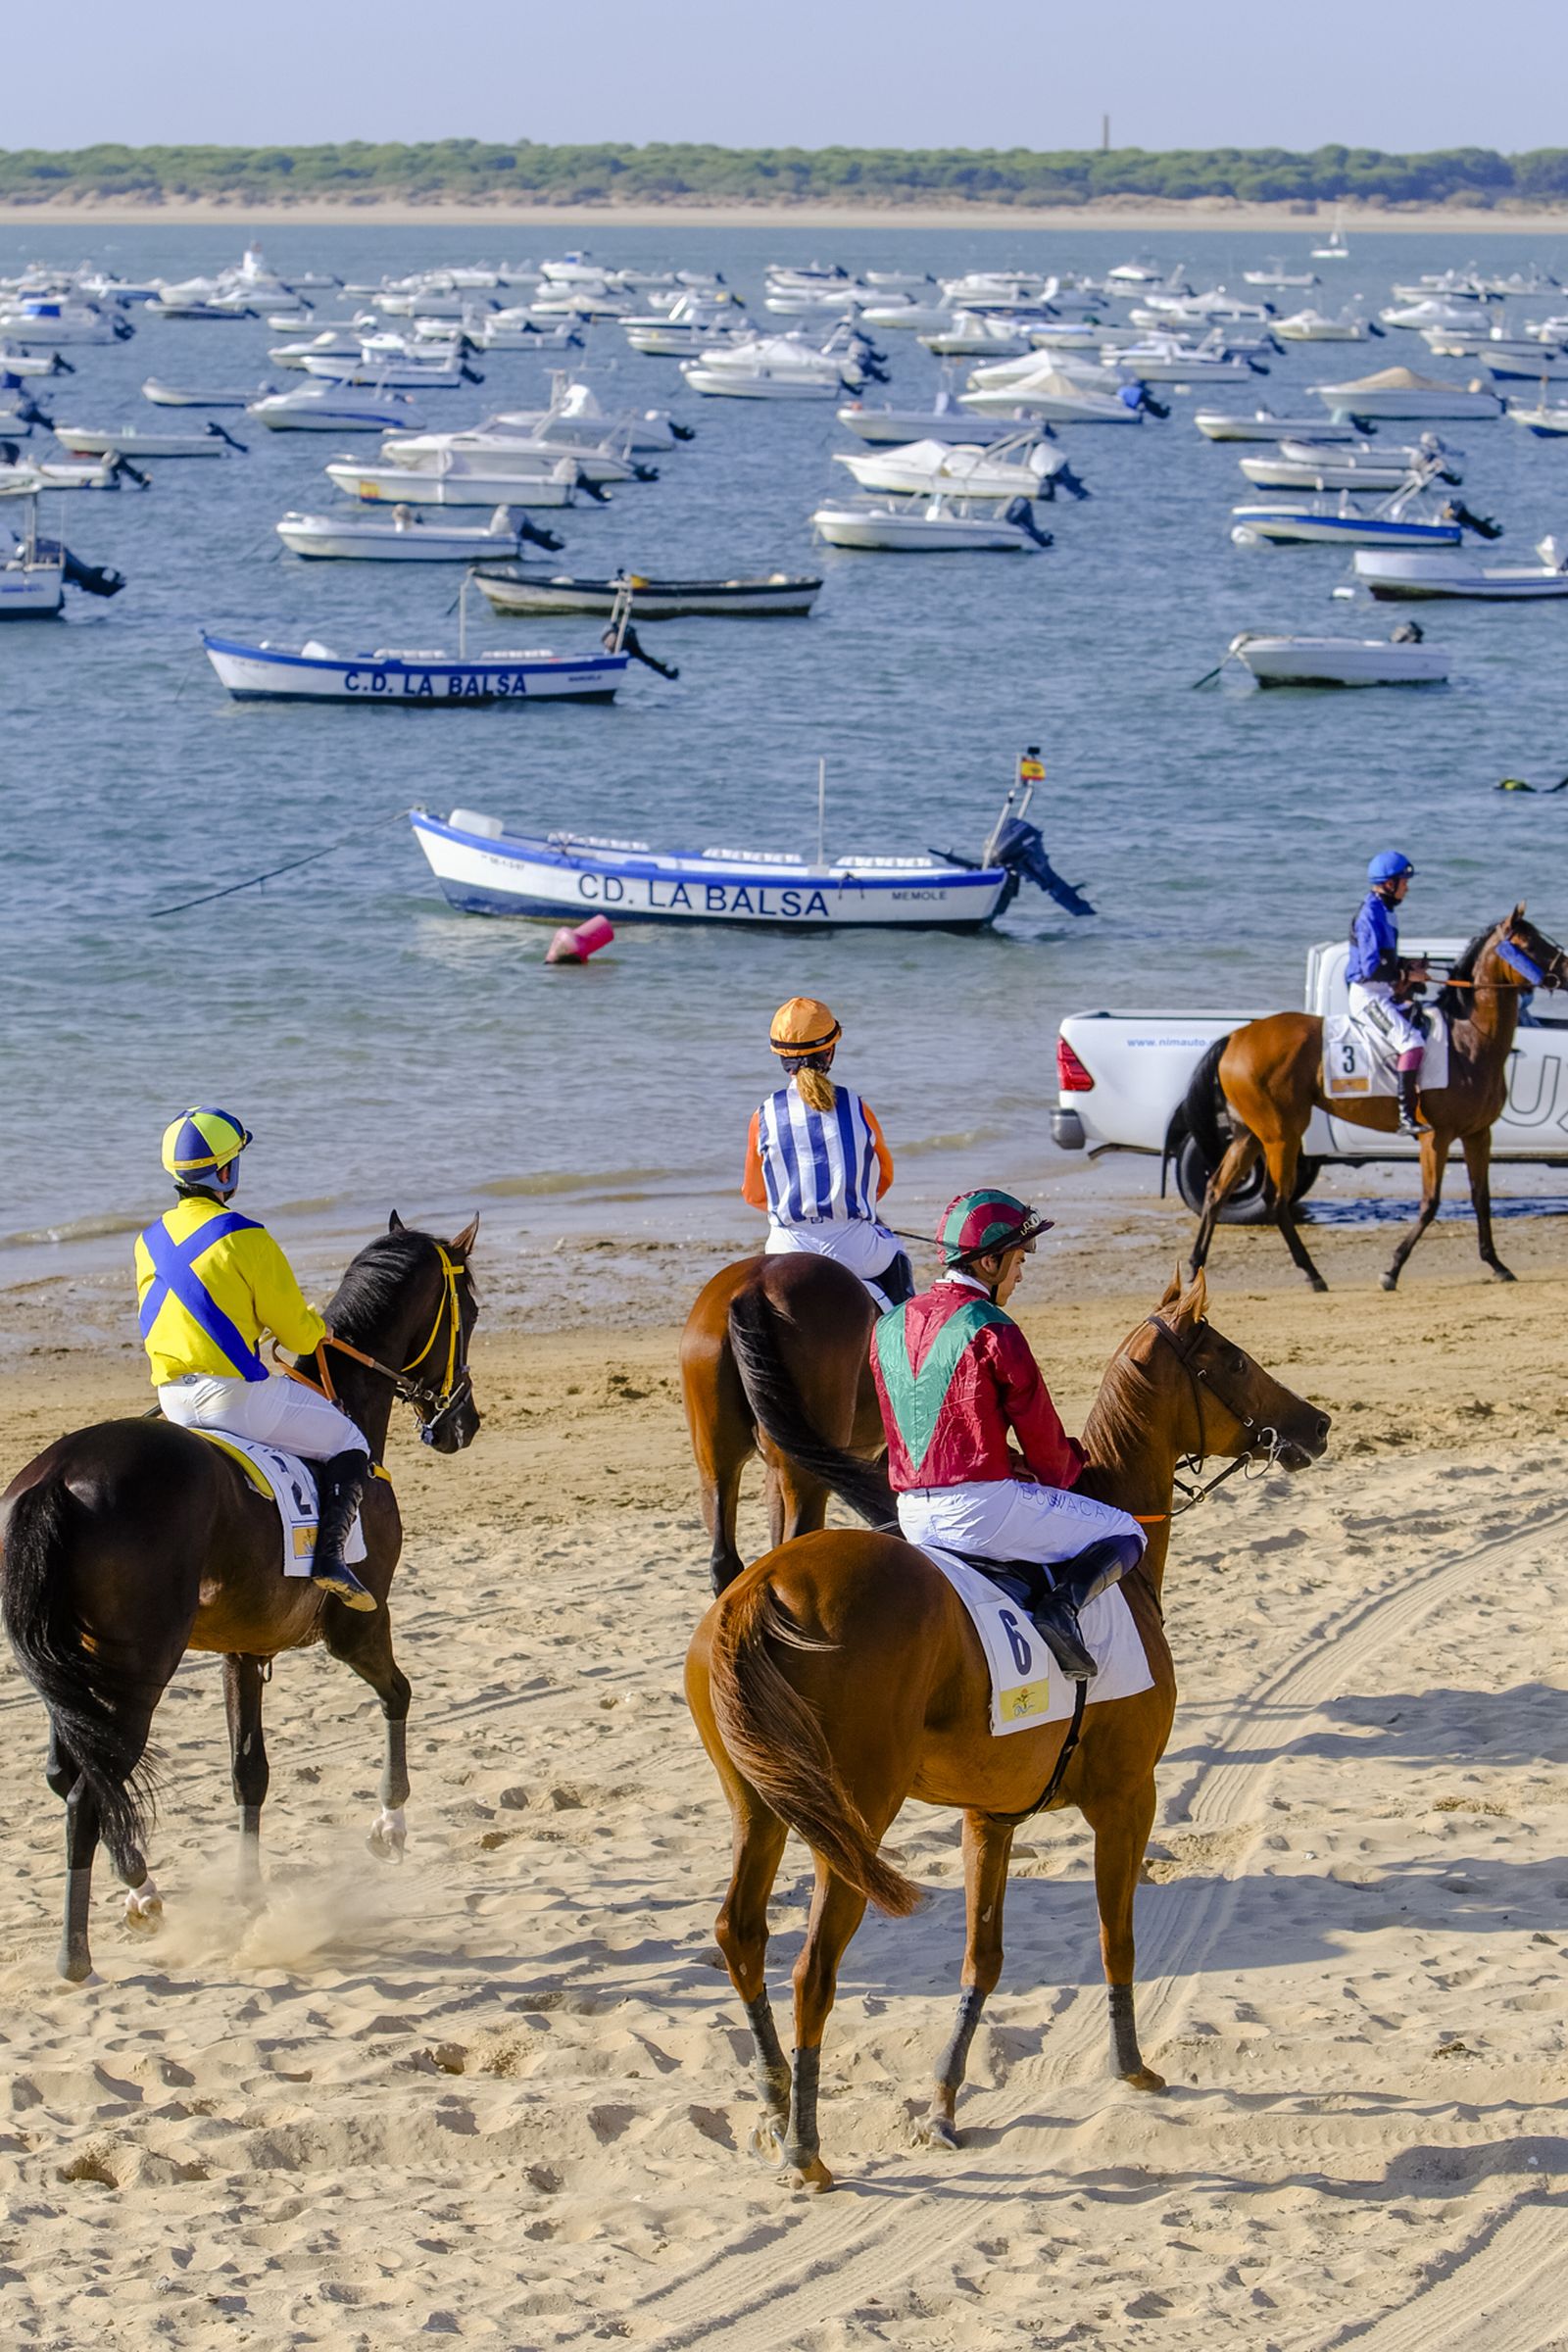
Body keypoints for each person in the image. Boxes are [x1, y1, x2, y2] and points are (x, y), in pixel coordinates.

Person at [870, 1189, 1146, 1681]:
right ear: (991, 1261)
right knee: (1127, 1530)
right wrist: (1070, 1467)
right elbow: (1049, 1453)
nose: (1021, 1274)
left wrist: (1003, 1460)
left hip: (910, 1514)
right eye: (1019, 1260)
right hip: (983, 1511)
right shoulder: (993, 1327)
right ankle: (1060, 1612)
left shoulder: (888, 1324)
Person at [133, 1106, 376, 1611]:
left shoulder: (146, 1241)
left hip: (173, 1401)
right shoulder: (247, 1236)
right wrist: (314, 1325)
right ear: (226, 1172)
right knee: (350, 1441)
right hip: (237, 1400)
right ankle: (330, 1558)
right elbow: (301, 1338)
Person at [742, 998, 914, 1309]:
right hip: (855, 1249)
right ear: (830, 1051)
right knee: (896, 1255)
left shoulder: (764, 1114)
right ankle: (904, 1342)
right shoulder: (857, 1107)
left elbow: (754, 1194)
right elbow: (882, 1179)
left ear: (781, 1057)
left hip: (786, 1247)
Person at [1348, 850, 1430, 1137]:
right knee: (1411, 1042)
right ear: (1388, 884)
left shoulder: (1386, 912)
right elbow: (1371, 968)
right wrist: (1407, 975)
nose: (1407, 887)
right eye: (1403, 881)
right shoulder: (1371, 914)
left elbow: (1387, 961)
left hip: (1383, 992)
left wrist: (1408, 965)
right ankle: (1406, 1117)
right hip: (1369, 996)